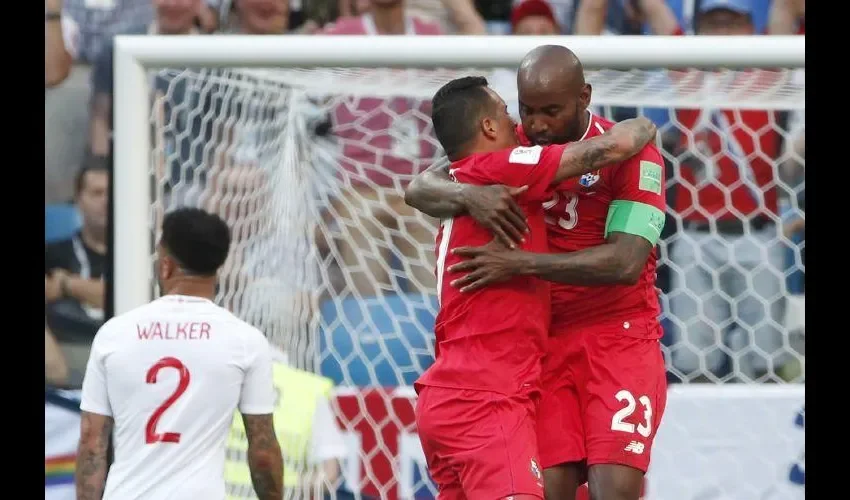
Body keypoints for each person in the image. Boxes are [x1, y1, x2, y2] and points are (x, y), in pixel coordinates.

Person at [406, 46, 668, 500]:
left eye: (551, 110)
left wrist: (523, 263)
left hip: (618, 334)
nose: (537, 123)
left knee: (615, 489)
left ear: (583, 96)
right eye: (526, 109)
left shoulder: (633, 154)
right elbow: (420, 186)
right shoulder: (516, 143)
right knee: (548, 489)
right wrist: (470, 196)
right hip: (544, 344)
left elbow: (625, 263)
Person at [75, 208, 283, 500]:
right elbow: (262, 451)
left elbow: (91, 441)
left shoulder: (114, 334)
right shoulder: (245, 340)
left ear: (165, 266)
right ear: (218, 266)